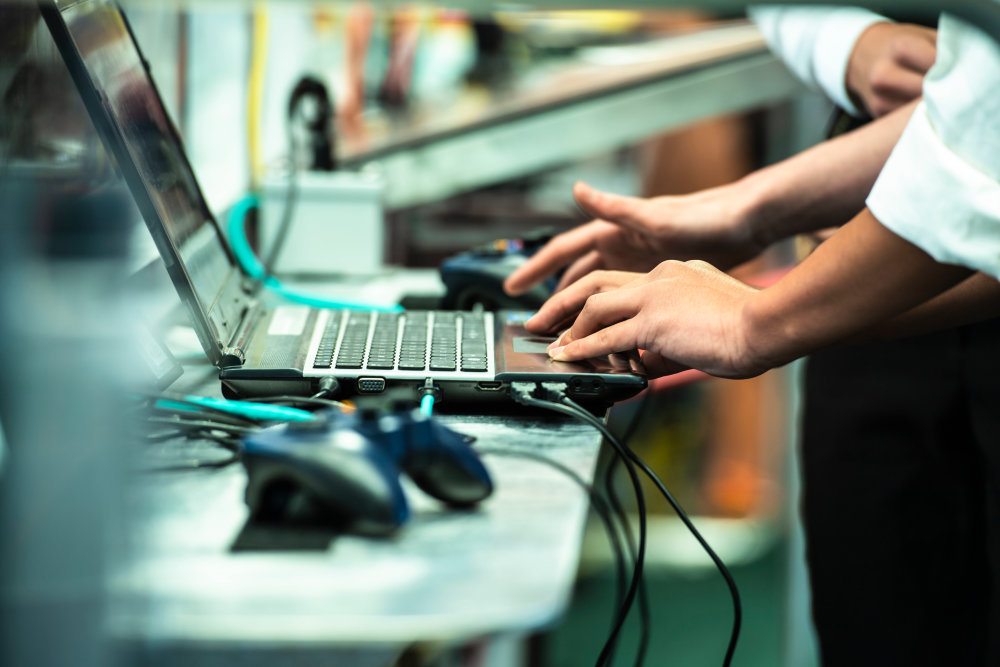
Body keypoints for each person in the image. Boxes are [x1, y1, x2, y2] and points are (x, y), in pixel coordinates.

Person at [505, 6, 1000, 665]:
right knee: (877, 615)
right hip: (905, 216)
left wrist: (754, 320)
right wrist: (744, 213)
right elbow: (970, 109)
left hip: (930, 228)